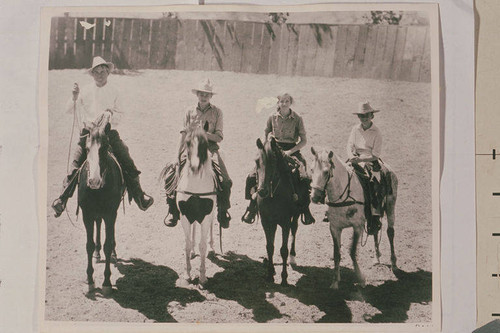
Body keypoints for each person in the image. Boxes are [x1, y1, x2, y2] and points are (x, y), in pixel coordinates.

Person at [51, 56, 154, 217]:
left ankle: (140, 195)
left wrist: (110, 114)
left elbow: (122, 114)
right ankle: (62, 199)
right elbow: (70, 110)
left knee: (126, 158)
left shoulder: (115, 91)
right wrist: (73, 97)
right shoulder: (84, 90)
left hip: (108, 133)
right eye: (96, 72)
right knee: (75, 164)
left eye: (103, 71)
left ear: (108, 72)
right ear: (92, 74)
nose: (100, 75)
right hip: (88, 134)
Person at [164, 79, 232, 229]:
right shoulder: (189, 111)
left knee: (225, 180)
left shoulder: (217, 112)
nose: (204, 96)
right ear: (197, 95)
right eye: (201, 93)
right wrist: (177, 155)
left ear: (211, 96)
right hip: (190, 147)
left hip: (210, 148)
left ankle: (223, 211)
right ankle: (172, 210)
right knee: (170, 174)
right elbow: (183, 134)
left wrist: (203, 134)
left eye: (207, 94)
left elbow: (219, 137)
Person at [241, 93, 315, 225]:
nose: (284, 103)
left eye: (287, 101)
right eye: (281, 101)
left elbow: (303, 141)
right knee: (252, 175)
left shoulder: (297, 118)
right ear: (278, 103)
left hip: (292, 150)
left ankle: (305, 209)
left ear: (291, 102)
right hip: (274, 149)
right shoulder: (271, 117)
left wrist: (290, 151)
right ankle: (252, 206)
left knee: (304, 176)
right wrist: (266, 147)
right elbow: (265, 135)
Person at [346, 101, 386, 235]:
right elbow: (350, 145)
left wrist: (361, 159)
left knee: (373, 181)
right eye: (361, 116)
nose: (364, 118)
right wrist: (351, 156)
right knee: (338, 174)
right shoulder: (355, 129)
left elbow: (376, 154)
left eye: (366, 116)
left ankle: (374, 214)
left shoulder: (377, 132)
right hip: (355, 158)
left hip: (369, 159)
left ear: (372, 116)